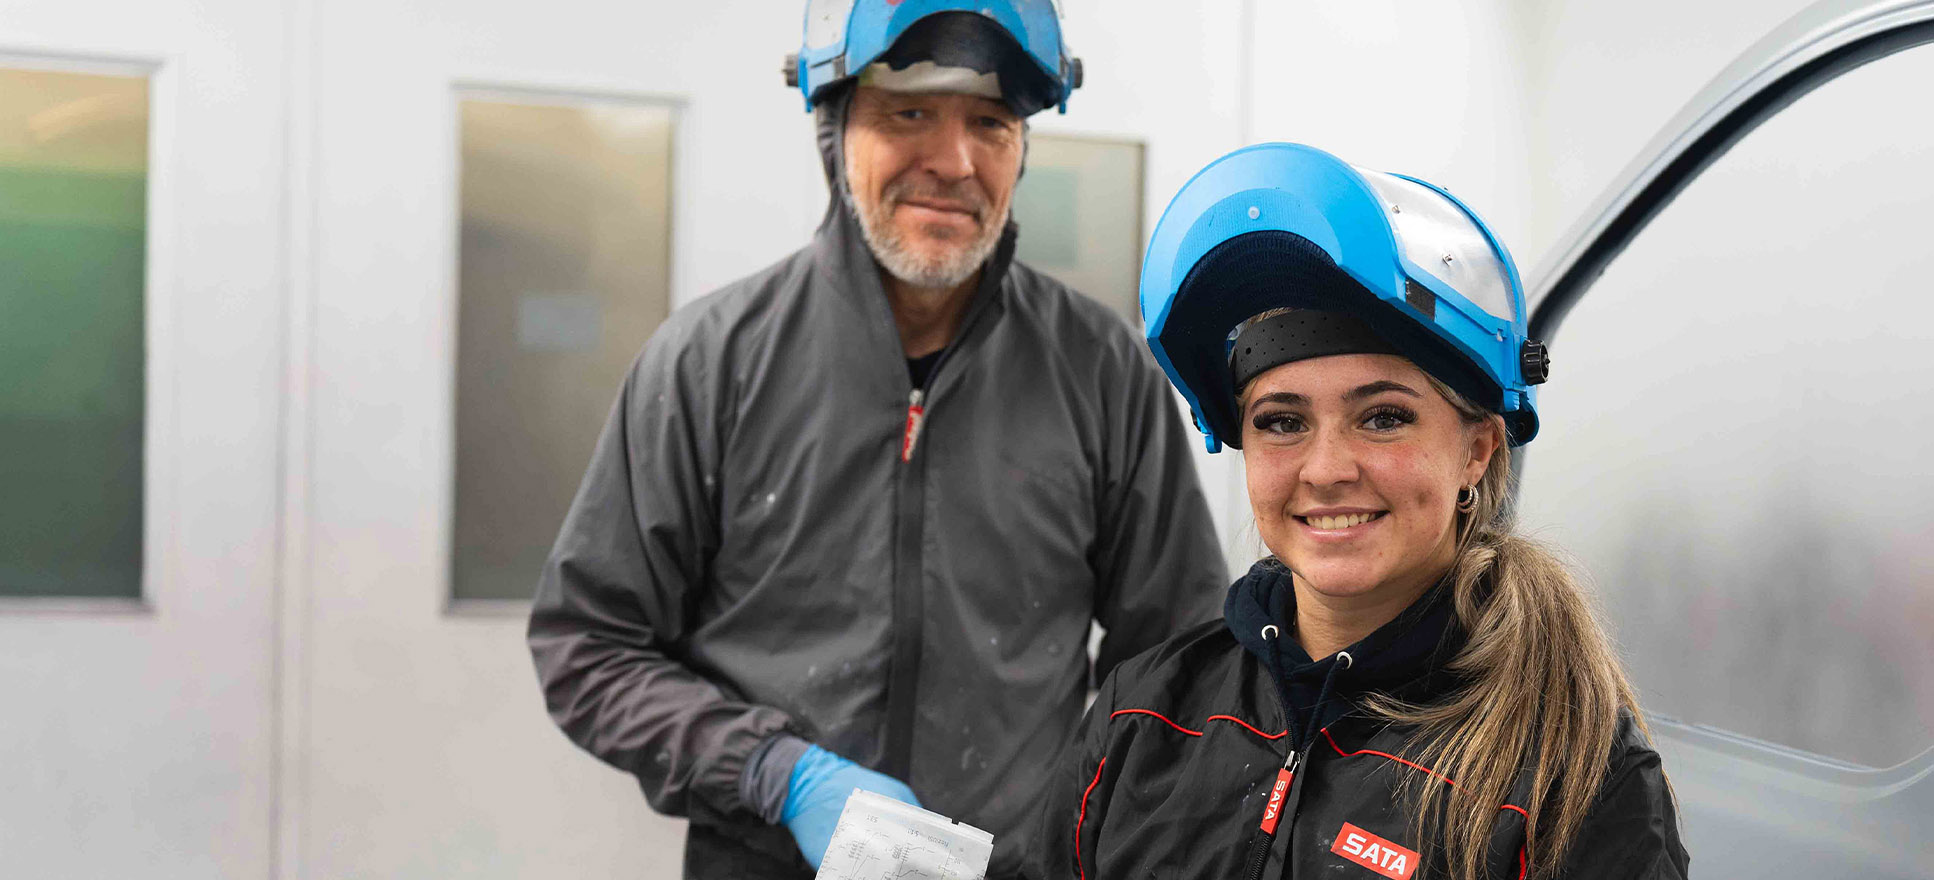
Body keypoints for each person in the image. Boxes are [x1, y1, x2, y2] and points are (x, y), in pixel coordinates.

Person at [526, 4, 1226, 878]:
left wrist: (1078, 825)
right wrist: (778, 774)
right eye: (909, 113)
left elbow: (1178, 665)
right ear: (834, 128)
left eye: (992, 124)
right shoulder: (709, 364)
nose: (954, 161)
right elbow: (588, 647)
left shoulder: (1101, 373)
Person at [1021, 143, 1689, 879]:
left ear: (1477, 450)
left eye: (1383, 418)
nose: (1328, 469)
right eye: (1281, 421)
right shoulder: (1144, 714)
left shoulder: (1569, 773)